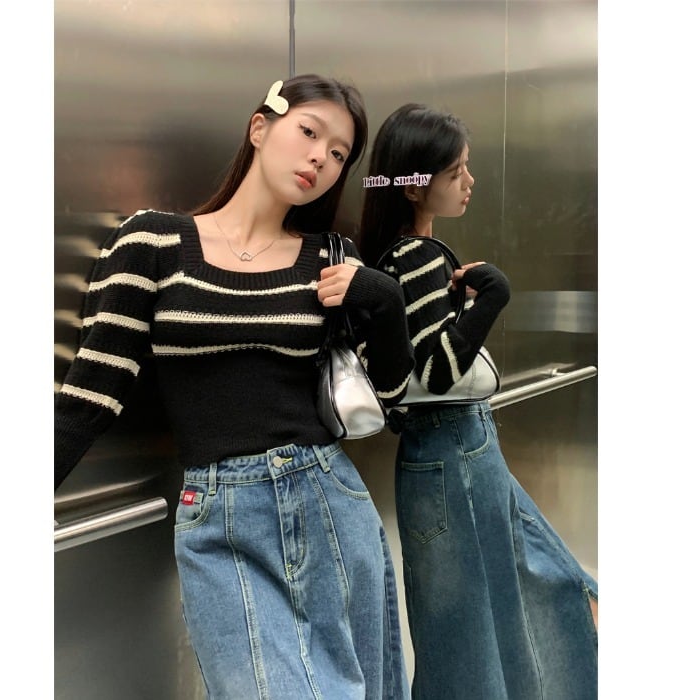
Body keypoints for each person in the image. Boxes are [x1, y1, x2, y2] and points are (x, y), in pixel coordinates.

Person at [54, 74, 415, 700]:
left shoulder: (331, 258)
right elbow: (90, 398)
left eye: (338, 155)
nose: (320, 159)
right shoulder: (153, 242)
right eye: (309, 132)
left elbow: (391, 393)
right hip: (220, 515)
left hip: (329, 500)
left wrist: (383, 300)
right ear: (259, 127)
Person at [358, 103, 598, 700]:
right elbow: (438, 371)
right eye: (456, 171)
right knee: (470, 627)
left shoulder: (399, 254)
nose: (470, 180)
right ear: (415, 186)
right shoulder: (414, 257)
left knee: (484, 615)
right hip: (453, 448)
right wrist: (491, 298)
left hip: (450, 452)